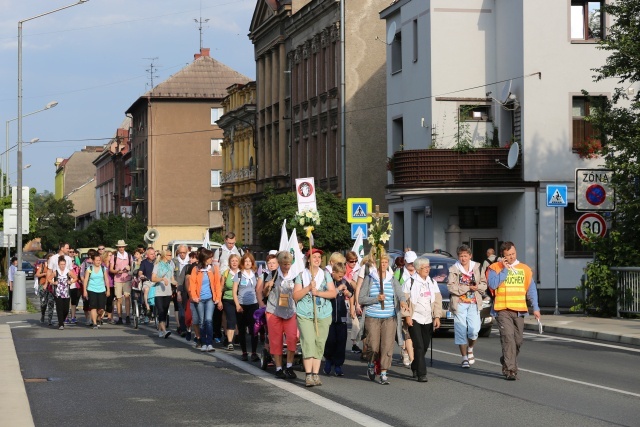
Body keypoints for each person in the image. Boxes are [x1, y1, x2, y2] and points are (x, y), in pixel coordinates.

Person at [488, 241, 541, 381]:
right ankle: (511, 370)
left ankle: (506, 359)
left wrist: (535, 308)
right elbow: (492, 284)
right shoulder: (495, 268)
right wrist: (505, 269)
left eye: (513, 254)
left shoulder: (525, 269)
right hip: (502, 309)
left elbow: (531, 289)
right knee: (508, 339)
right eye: (508, 255)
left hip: (519, 310)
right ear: (503, 256)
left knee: (518, 341)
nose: (511, 257)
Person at [358, 250, 408, 385]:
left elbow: (400, 294)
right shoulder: (370, 278)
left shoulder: (392, 279)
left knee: (387, 346)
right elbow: (361, 298)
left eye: (386, 263)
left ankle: (384, 373)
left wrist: (403, 301)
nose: (384, 265)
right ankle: (371, 363)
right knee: (373, 346)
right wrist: (376, 299)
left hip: (389, 317)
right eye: (382, 263)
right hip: (372, 317)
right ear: (377, 264)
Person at [294, 248, 336, 387]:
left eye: (319, 257)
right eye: (314, 257)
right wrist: (307, 288)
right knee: (308, 341)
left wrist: (317, 292)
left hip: (323, 313)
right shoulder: (301, 275)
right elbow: (295, 296)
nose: (317, 259)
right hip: (305, 314)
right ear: (308, 260)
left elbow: (332, 293)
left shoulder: (325, 275)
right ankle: (308, 374)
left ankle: (315, 374)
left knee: (319, 343)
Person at [447, 244, 487, 369]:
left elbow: (484, 284)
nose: (463, 258)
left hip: (474, 302)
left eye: (465, 256)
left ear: (470, 256)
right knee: (461, 331)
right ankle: (464, 357)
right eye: (461, 256)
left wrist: (477, 287)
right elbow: (450, 287)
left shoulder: (478, 267)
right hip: (459, 303)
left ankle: (470, 348)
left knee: (474, 330)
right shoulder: (454, 269)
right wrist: (466, 288)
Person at [404, 256, 442, 382]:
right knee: (419, 346)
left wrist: (437, 316)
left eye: (428, 267)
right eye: (425, 267)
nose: (428, 269)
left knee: (425, 346)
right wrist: (407, 316)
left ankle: (415, 365)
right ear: (418, 269)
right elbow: (403, 302)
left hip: (428, 318)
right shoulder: (410, 283)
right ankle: (422, 374)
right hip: (414, 318)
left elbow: (437, 300)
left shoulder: (432, 282)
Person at [262, 251, 298, 380]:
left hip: (290, 310)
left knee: (292, 338)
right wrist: (267, 287)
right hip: (274, 311)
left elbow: (298, 294)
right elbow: (264, 294)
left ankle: (289, 366)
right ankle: (278, 368)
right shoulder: (272, 274)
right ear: (279, 263)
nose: (286, 267)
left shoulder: (295, 276)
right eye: (283, 264)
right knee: (275, 339)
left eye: (288, 264)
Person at [323, 262, 352, 377]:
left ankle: (338, 365)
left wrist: (347, 292)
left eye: (342, 276)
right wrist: (337, 288)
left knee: (341, 341)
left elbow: (351, 293)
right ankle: (328, 360)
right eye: (339, 276)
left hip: (341, 316)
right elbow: (326, 293)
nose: (341, 278)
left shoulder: (344, 281)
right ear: (333, 272)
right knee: (330, 341)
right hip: (329, 316)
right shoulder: (327, 281)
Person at [189, 249, 221, 352]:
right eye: (210, 257)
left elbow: (217, 284)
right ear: (204, 259)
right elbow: (192, 284)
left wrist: (217, 298)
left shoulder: (214, 269)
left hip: (210, 299)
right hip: (199, 299)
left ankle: (209, 343)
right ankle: (203, 343)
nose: (212, 259)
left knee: (209, 320)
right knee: (202, 321)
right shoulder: (196, 269)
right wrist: (194, 297)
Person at [233, 253, 261, 362]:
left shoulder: (256, 274)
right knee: (241, 329)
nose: (248, 263)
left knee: (254, 329)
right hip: (241, 305)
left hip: (253, 304)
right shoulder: (238, 275)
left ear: (252, 263)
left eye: (250, 261)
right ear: (243, 263)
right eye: (246, 261)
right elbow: (234, 292)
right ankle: (244, 352)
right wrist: (237, 305)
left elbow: (258, 290)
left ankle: (254, 353)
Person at [395, 250, 418, 368]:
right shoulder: (398, 273)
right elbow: (394, 288)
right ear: (405, 262)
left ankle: (407, 351)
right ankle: (406, 351)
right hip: (402, 305)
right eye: (409, 263)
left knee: (411, 331)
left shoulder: (419, 273)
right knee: (405, 331)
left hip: (415, 307)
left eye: (413, 262)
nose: (412, 265)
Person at [151, 249, 177, 338]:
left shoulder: (170, 266)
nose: (171, 257)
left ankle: (160, 330)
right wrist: (162, 279)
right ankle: (165, 331)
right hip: (158, 292)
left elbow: (172, 279)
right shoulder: (157, 265)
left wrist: (175, 282)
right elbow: (153, 278)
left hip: (168, 292)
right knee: (161, 311)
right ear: (164, 256)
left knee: (164, 312)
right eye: (169, 255)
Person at [83, 252, 110, 329]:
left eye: (99, 260)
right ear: (93, 261)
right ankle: (94, 323)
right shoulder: (89, 269)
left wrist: (108, 290)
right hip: (91, 289)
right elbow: (86, 280)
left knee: (101, 308)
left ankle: (98, 317)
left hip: (101, 289)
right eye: (97, 260)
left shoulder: (103, 268)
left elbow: (106, 280)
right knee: (93, 307)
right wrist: (85, 290)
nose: (98, 262)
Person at [110, 240, 133, 325]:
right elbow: (111, 269)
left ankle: (127, 316)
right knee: (119, 298)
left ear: (124, 247)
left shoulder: (129, 255)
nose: (121, 248)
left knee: (127, 296)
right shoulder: (114, 256)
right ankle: (119, 316)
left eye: (122, 247)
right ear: (118, 247)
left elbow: (132, 267)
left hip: (127, 278)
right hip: (118, 279)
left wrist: (129, 268)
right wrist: (116, 271)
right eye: (120, 247)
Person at [220, 254, 241, 350]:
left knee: (239, 320)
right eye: (232, 261)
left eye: (236, 261)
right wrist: (219, 301)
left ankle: (238, 336)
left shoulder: (242, 273)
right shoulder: (226, 273)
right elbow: (221, 288)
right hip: (228, 299)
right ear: (229, 263)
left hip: (240, 300)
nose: (234, 263)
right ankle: (229, 342)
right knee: (231, 319)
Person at [51, 257, 78, 330]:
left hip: (66, 292)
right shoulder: (56, 272)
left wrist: (71, 282)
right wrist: (53, 282)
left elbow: (75, 278)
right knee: (59, 308)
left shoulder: (68, 272)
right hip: (58, 292)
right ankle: (60, 324)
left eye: (64, 264)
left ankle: (62, 320)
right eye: (61, 264)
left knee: (66, 309)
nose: (62, 266)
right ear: (58, 265)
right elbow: (49, 278)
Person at [344, 251, 362, 354]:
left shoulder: (357, 270)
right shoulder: (343, 269)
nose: (354, 263)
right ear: (347, 261)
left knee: (356, 322)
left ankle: (354, 344)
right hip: (342, 299)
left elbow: (356, 288)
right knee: (342, 323)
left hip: (353, 299)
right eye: (351, 261)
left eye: (356, 261)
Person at [173, 245, 190, 336]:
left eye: (184, 252)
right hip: (179, 287)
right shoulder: (174, 261)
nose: (182, 254)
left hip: (189, 288)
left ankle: (188, 327)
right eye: (181, 253)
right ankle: (182, 328)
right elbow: (172, 274)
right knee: (180, 308)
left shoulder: (190, 260)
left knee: (189, 309)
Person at [36, 254, 55, 325]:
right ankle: (43, 315)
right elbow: (37, 274)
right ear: (47, 259)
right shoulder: (43, 265)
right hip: (42, 285)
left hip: (51, 286)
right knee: (43, 303)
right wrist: (44, 274)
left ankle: (50, 319)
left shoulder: (54, 266)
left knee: (51, 302)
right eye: (50, 259)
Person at [102, 251, 116, 324]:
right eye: (110, 255)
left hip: (111, 284)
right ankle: (100, 316)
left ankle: (110, 317)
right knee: (103, 301)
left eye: (111, 255)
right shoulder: (102, 264)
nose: (111, 257)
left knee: (110, 301)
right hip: (103, 284)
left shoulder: (112, 265)